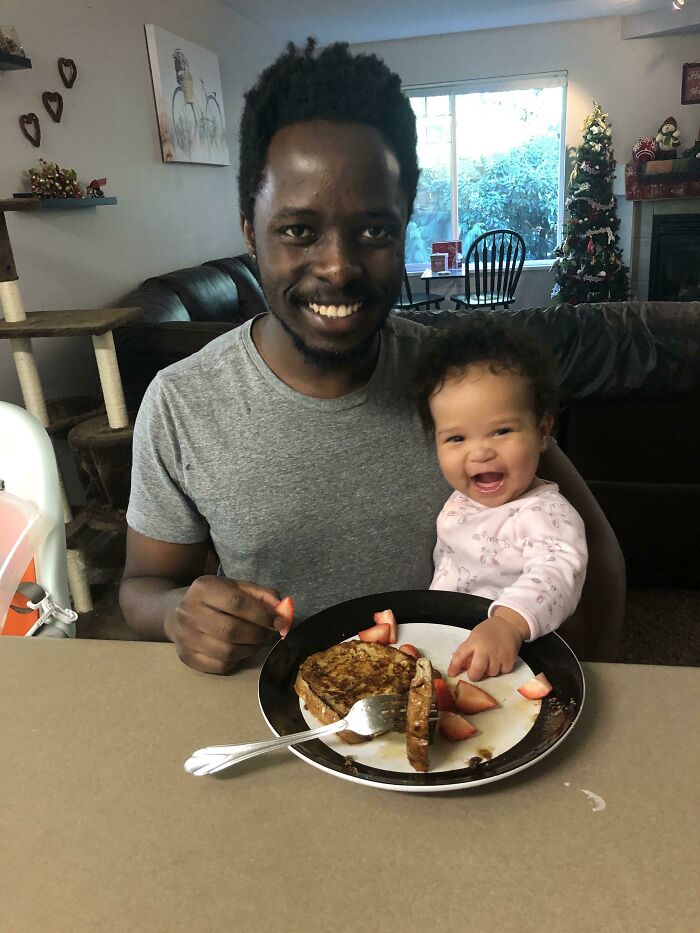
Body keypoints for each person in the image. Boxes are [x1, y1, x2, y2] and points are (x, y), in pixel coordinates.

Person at [119, 38, 624, 674]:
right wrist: (176, 613)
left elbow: (594, 550)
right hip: (280, 714)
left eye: (374, 230)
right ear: (251, 231)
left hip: (452, 716)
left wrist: (587, 702)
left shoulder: (461, 376)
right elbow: (140, 587)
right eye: (298, 230)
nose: (337, 267)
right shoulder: (182, 402)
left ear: (406, 223)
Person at [411, 315, 588, 681]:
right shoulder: (461, 500)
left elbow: (556, 573)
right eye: (456, 439)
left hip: (516, 658)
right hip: (449, 643)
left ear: (542, 431)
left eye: (501, 431)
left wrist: (506, 625)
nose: (480, 453)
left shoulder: (546, 513)